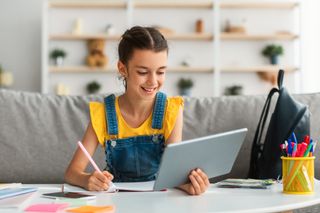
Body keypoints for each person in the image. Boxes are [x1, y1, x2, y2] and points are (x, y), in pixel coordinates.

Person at [64, 26, 209, 195]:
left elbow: (173, 174)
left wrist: (190, 184)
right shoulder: (104, 113)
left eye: (161, 72)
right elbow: (72, 173)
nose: (153, 81)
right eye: (142, 72)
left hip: (158, 200)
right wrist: (87, 179)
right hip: (117, 200)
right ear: (123, 69)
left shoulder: (171, 110)